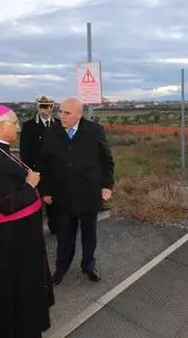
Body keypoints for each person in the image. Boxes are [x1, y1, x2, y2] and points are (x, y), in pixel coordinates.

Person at [0, 104, 54, 338]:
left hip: (15, 235)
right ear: (1, 125)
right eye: (15, 122)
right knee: (11, 295)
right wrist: (31, 184)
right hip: (8, 240)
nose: (18, 126)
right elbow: (6, 204)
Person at [38, 97, 114, 286]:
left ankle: (89, 265)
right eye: (60, 112)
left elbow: (107, 161)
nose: (61, 116)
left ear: (79, 114)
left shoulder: (94, 131)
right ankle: (61, 267)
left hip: (89, 192)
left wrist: (106, 185)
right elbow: (44, 164)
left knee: (90, 233)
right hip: (62, 194)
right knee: (64, 234)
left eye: (67, 113)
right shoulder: (52, 132)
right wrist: (45, 190)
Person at [19, 95, 58, 233]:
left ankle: (54, 226)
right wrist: (29, 169)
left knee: (52, 200)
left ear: (52, 108)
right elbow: (24, 150)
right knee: (35, 200)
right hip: (35, 169)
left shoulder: (58, 124)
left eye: (46, 107)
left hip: (53, 170)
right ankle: (35, 229)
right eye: (41, 106)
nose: (43, 110)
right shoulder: (29, 125)